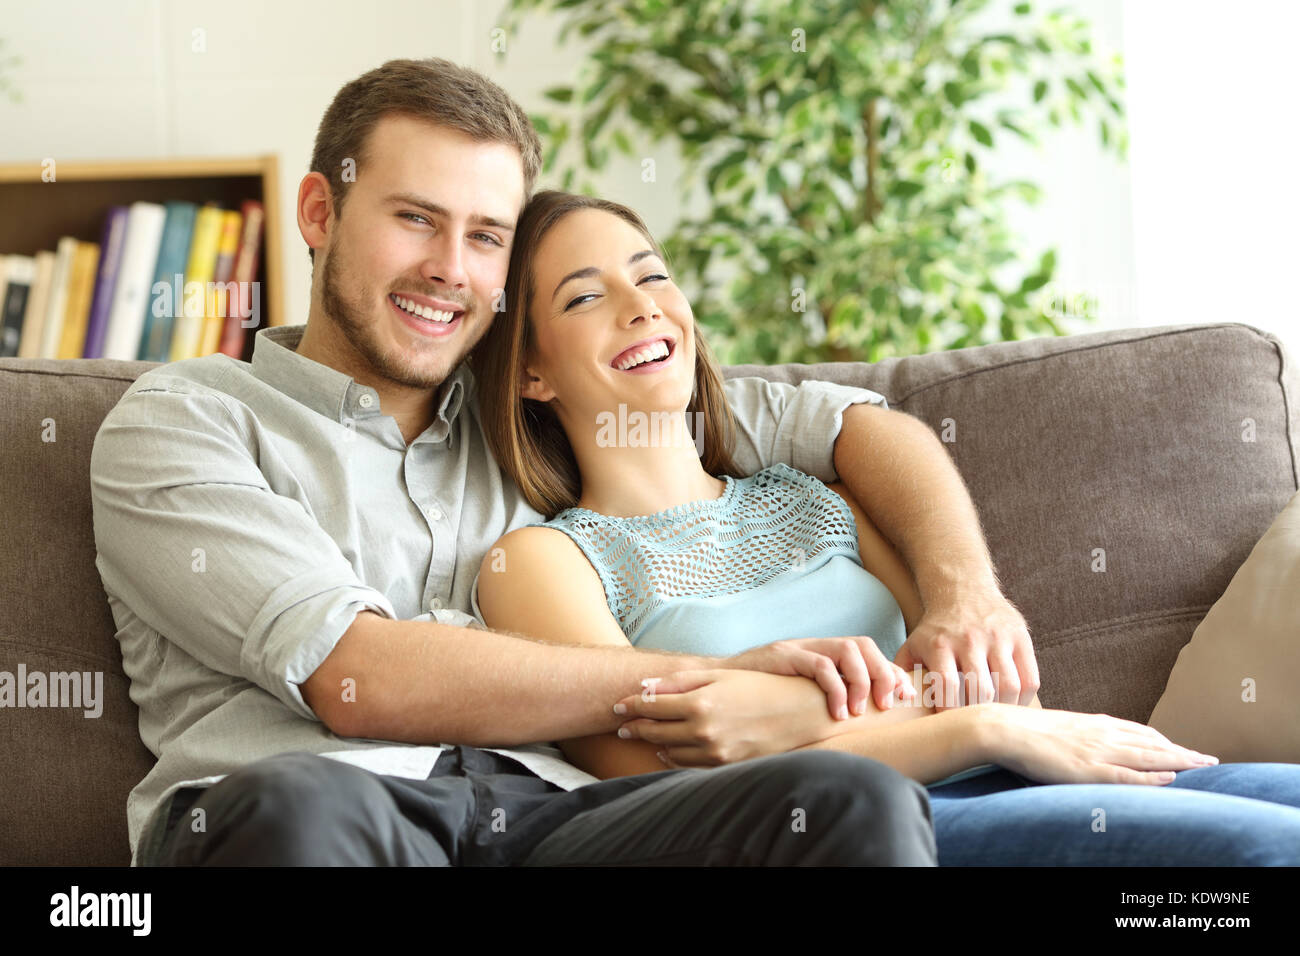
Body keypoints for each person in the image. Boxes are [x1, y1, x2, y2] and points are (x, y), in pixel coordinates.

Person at [88, 58, 1037, 867]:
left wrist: (964, 595)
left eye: (486, 237)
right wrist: (696, 679)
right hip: (313, 807)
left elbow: (850, 425)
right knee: (297, 808)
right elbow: (353, 678)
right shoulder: (184, 421)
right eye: (416, 219)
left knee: (844, 799)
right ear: (318, 210)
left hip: (546, 815)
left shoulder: (533, 411)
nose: (450, 268)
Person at [472, 189, 1300, 866]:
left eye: (651, 276)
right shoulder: (543, 562)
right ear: (531, 370)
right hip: (893, 830)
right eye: (585, 295)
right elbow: (667, 794)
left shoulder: (817, 496)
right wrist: (969, 727)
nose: (639, 307)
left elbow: (1002, 684)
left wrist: (801, 718)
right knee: (1264, 859)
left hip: (1033, 767)